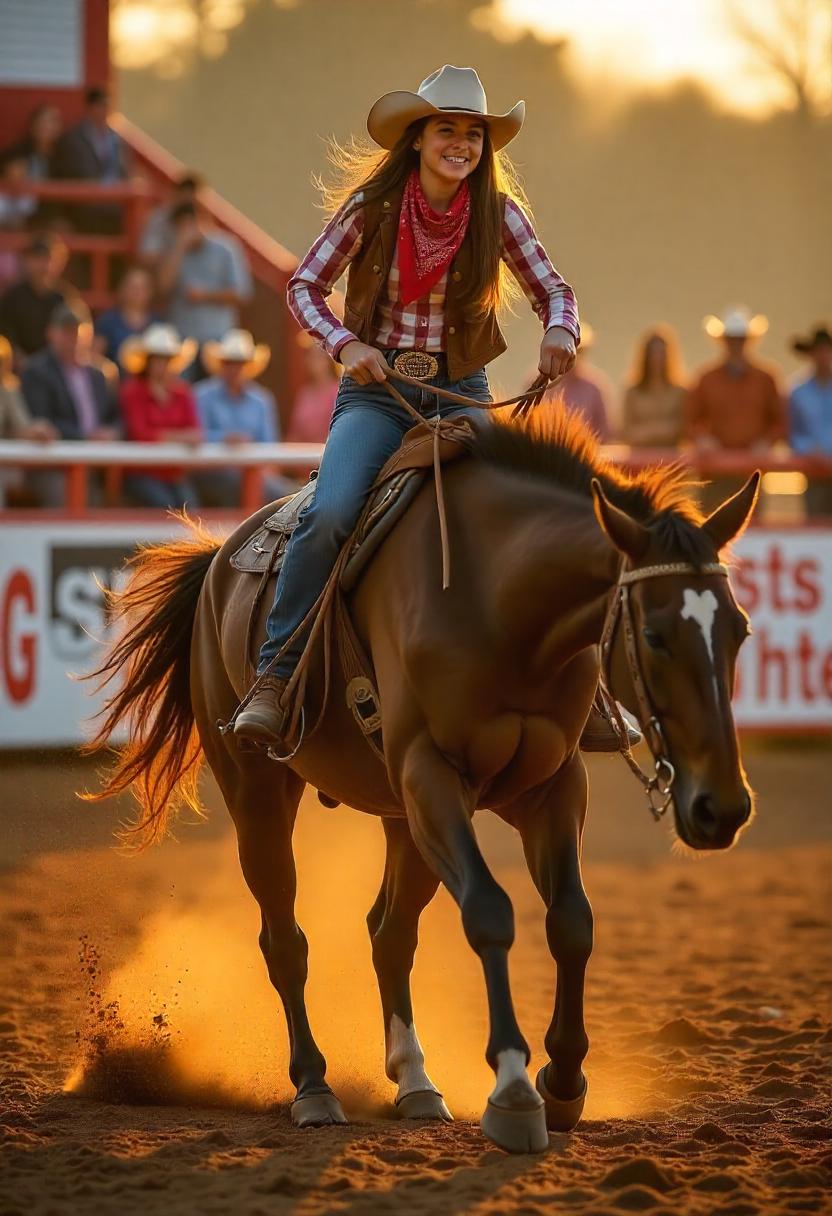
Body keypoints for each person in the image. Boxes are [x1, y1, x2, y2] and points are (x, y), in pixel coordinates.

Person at [234, 64, 624, 755]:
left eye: (474, 135)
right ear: (418, 139)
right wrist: (345, 342)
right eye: (448, 130)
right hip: (376, 397)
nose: (463, 145)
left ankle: (585, 690)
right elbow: (304, 288)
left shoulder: (498, 214)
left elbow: (555, 291)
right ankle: (277, 675)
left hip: (462, 391)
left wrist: (561, 330)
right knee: (329, 514)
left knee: (523, 520)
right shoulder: (370, 209)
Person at [20, 303, 119, 506]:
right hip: (54, 464)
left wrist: (113, 432)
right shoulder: (36, 371)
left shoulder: (99, 374)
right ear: (51, 333)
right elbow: (42, 419)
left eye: (78, 332)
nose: (73, 339)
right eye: (66, 332)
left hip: (97, 463)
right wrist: (86, 437)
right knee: (66, 499)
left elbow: (116, 415)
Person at [194, 328, 291, 506]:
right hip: (214, 471)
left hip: (254, 474)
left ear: (248, 366)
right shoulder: (202, 395)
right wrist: (224, 439)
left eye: (239, 363)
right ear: (221, 365)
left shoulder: (262, 400)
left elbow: (269, 444)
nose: (235, 368)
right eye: (230, 362)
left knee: (282, 493)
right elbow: (196, 435)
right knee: (283, 496)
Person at [157, 201, 252, 376]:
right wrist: (179, 247)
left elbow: (242, 293)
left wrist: (205, 296)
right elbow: (162, 287)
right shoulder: (174, 251)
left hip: (218, 339)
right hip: (182, 341)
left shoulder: (226, 248)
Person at [118, 323, 201, 509]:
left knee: (192, 510)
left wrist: (162, 435)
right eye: (157, 359)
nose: (162, 365)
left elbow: (196, 434)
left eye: (166, 359)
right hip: (142, 472)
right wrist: (180, 437)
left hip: (174, 473)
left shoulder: (182, 393)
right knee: (166, 507)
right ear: (147, 361)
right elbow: (139, 434)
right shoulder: (132, 392)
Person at [51, 87, 130, 232]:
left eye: (107, 105)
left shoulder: (115, 139)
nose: (104, 110)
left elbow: (123, 170)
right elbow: (65, 174)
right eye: (100, 105)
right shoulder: (74, 138)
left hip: (114, 203)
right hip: (85, 204)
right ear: (90, 107)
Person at [0, 233, 79, 364]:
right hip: (18, 364)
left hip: (57, 364)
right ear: (26, 261)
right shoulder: (12, 297)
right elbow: (5, 334)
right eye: (37, 259)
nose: (44, 266)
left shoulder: (66, 297)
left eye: (49, 259)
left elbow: (73, 333)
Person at [788, 325, 832, 518]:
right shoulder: (798, 392)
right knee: (816, 521)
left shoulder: (798, 392)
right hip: (813, 470)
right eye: (818, 351)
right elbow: (792, 432)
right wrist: (808, 450)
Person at [541, 324, 614, 440]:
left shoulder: (594, 387)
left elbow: (605, 431)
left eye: (578, 351)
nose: (570, 355)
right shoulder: (539, 385)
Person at [622, 325, 687, 448]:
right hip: (638, 461)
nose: (657, 359)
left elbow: (683, 429)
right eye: (653, 353)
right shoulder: (632, 392)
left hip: (671, 460)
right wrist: (664, 430)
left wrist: (646, 432)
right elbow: (627, 433)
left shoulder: (680, 392)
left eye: (661, 353)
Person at [93, 264, 157, 372]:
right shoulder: (108, 322)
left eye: (142, 288)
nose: (137, 292)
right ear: (122, 289)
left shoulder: (157, 324)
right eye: (133, 287)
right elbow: (94, 358)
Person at [138, 172, 204, 268]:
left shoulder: (202, 221)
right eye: (184, 193)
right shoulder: (159, 219)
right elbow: (148, 257)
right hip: (163, 271)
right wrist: (180, 247)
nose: (188, 199)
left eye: (191, 194)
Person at [286, 332, 340, 444]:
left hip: (328, 453)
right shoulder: (305, 393)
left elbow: (340, 429)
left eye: (317, 357)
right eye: (310, 356)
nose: (312, 361)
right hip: (304, 456)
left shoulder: (338, 391)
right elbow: (295, 432)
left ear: (328, 360)